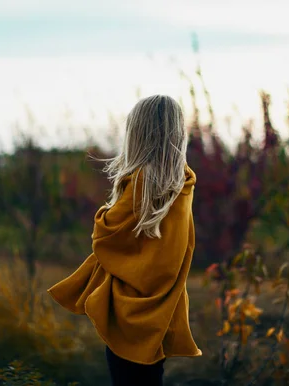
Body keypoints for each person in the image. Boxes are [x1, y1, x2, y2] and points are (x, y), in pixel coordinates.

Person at [48, 94, 202, 386]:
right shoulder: (181, 183)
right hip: (161, 308)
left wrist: (103, 213)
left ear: (138, 134)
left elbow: (106, 235)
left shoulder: (142, 180)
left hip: (129, 310)